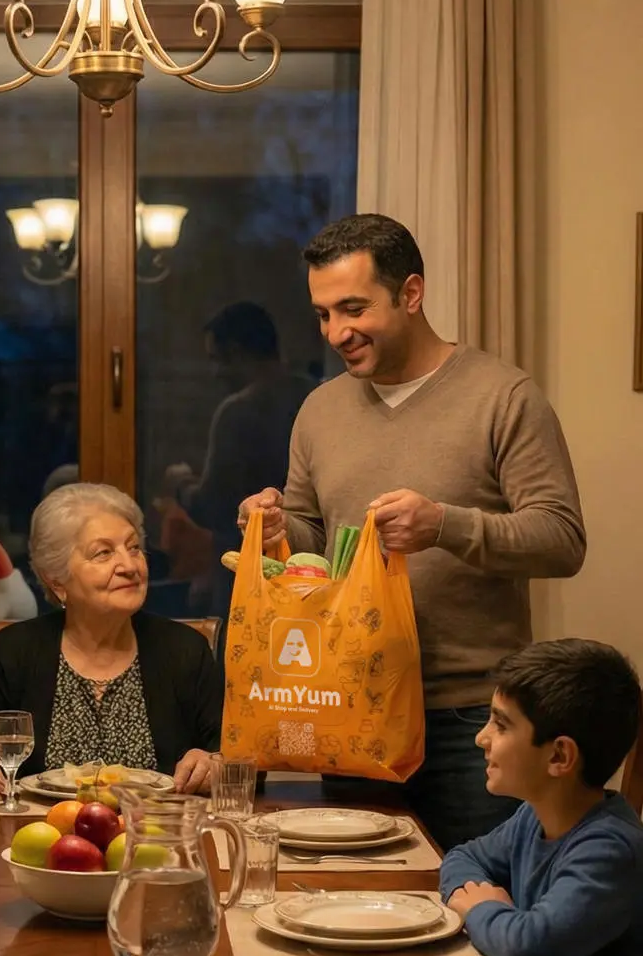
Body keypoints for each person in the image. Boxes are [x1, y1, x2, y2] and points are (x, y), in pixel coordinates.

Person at [238, 213, 586, 850]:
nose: (337, 332)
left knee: (475, 901)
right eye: (322, 314)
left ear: (412, 294)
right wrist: (279, 531)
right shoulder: (320, 409)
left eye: (353, 308)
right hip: (350, 701)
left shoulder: (504, 397)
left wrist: (444, 525)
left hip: (472, 716)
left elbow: (562, 539)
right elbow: (316, 538)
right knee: (353, 893)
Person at [0, 483, 223, 795]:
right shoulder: (14, 650)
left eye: (134, 547)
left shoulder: (184, 649)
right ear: (58, 581)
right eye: (104, 553)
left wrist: (214, 763)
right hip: (42, 832)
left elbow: (241, 760)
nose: (130, 566)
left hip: (151, 834)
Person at [440, 640, 643, 956]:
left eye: (501, 724)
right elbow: (464, 856)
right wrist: (489, 909)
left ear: (559, 756)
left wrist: (481, 908)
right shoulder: (533, 816)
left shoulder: (609, 850)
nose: (482, 738)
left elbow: (531, 947)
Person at [168, 302, 313, 620]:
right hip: (309, 578)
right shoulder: (313, 396)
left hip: (247, 577)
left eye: (217, 360)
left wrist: (181, 484)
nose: (215, 373)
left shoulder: (238, 412)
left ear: (236, 352)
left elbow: (214, 507)